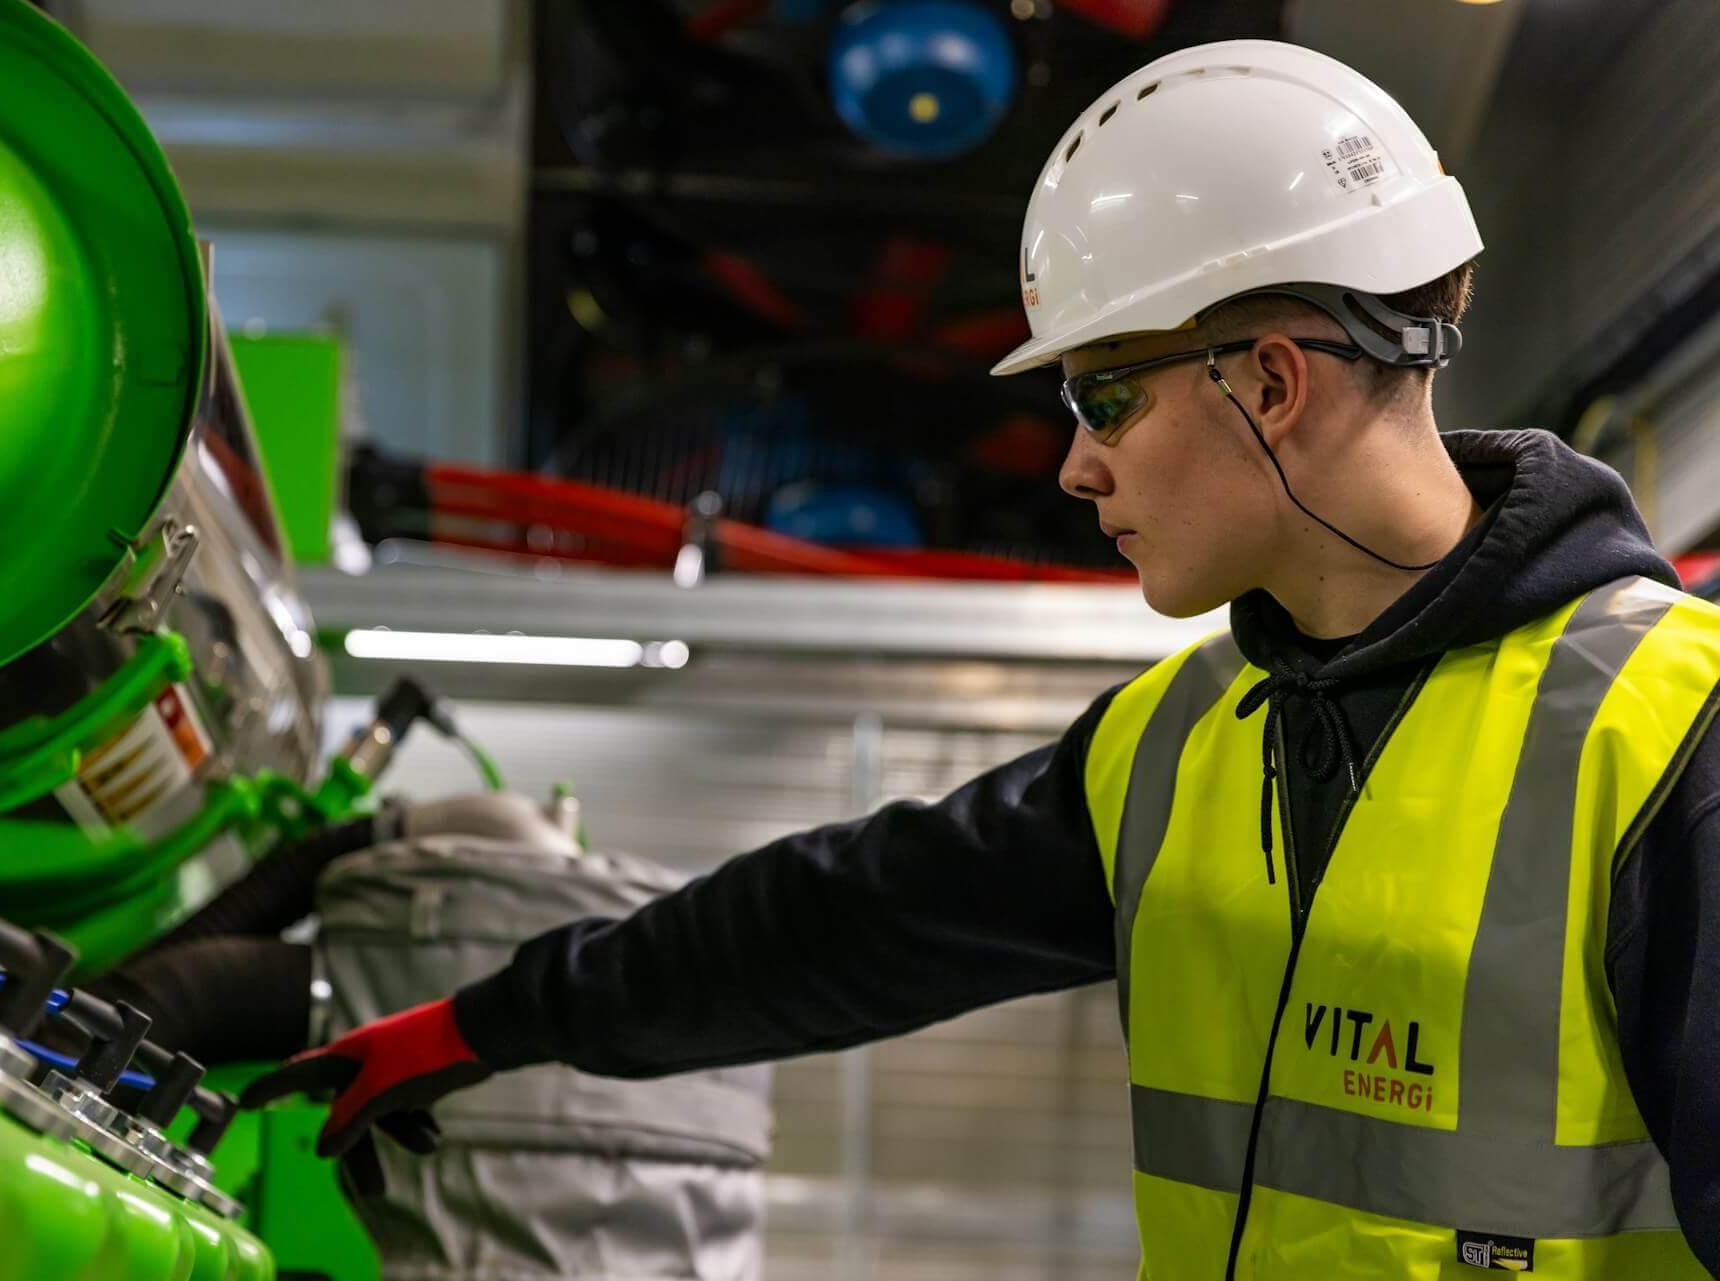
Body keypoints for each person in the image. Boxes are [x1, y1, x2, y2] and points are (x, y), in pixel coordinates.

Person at [244, 39, 1720, 1279]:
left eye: (1107, 395)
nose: (1076, 467)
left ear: (1271, 382)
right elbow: (835, 923)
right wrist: (488, 1019)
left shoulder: (1668, 746)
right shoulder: (1179, 745)